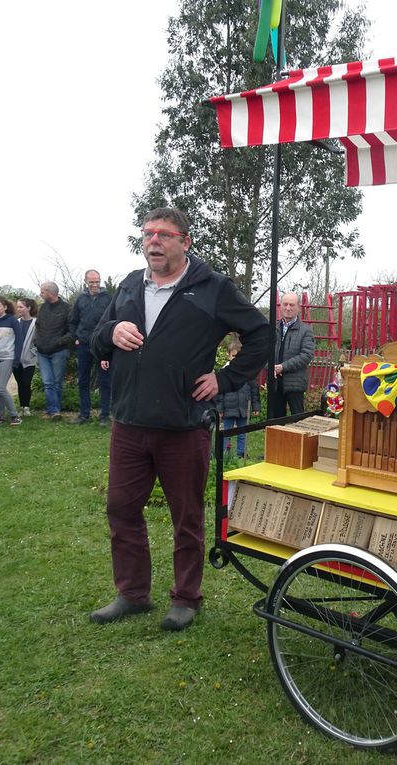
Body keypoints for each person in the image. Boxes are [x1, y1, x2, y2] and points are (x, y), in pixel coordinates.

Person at [89, 206, 271, 631]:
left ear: (185, 242)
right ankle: (132, 594)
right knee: (121, 509)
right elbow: (97, 339)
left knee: (186, 516)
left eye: (164, 235)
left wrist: (225, 380)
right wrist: (112, 330)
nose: (154, 241)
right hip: (129, 424)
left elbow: (260, 334)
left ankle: (186, 597)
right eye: (148, 234)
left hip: (184, 427)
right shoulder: (131, 285)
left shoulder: (212, 288)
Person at [68, 269, 112, 425]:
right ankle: (84, 414)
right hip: (84, 345)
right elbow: (72, 321)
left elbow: (114, 320)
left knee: (105, 381)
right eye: (92, 282)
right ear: (86, 282)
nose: (95, 285)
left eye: (97, 281)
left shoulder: (108, 298)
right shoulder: (80, 299)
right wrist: (76, 338)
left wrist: (108, 341)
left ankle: (105, 415)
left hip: (102, 346)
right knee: (83, 381)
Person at [269, 291, 314, 418]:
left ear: (298, 307)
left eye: (292, 305)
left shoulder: (306, 331)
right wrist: (270, 367)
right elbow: (264, 351)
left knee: (298, 421)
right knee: (275, 423)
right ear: (281, 306)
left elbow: (306, 355)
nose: (288, 308)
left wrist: (283, 367)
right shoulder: (273, 328)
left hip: (295, 384)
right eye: (285, 304)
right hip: (276, 383)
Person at [214, 339, 262, 459]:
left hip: (243, 407)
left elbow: (254, 390)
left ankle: (241, 453)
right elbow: (219, 392)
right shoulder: (224, 372)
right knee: (226, 432)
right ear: (229, 355)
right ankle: (224, 453)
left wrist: (256, 406)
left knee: (242, 432)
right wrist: (219, 409)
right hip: (228, 408)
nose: (236, 358)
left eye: (238, 356)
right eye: (233, 355)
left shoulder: (248, 372)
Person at [34, 281, 73, 420]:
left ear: (51, 292)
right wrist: (36, 341)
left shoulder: (67, 309)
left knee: (56, 382)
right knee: (47, 382)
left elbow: (72, 330)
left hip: (59, 351)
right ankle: (54, 410)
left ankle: (55, 409)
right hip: (42, 351)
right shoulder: (42, 308)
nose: (40, 294)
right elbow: (37, 327)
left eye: (42, 292)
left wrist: (59, 342)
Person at [0, 297, 23, 425]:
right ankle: (0, 415)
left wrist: (16, 359)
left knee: (1, 387)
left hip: (7, 357)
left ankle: (15, 415)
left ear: (5, 307)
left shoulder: (12, 321)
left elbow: (19, 340)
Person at [13, 298, 38, 416]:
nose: (19, 309)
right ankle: (22, 406)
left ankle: (27, 407)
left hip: (29, 358)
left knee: (26, 382)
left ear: (28, 308)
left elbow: (39, 339)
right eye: (17, 307)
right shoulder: (16, 322)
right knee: (19, 383)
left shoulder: (36, 323)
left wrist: (34, 351)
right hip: (16, 358)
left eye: (21, 307)